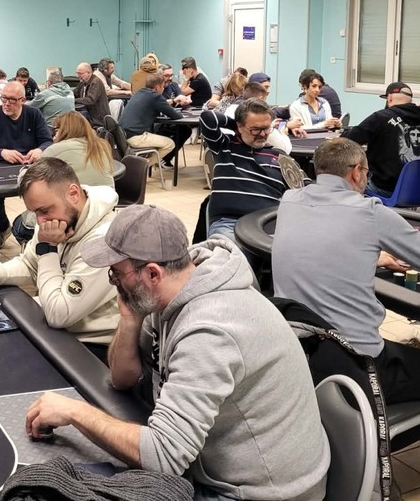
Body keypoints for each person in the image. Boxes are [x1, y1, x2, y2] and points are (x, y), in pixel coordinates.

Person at [24, 205, 329, 501]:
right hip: (215, 468)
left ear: (152, 273)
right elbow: (123, 379)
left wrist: (75, 412)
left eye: (116, 273)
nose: (113, 281)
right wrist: (129, 320)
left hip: (261, 492)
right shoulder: (172, 290)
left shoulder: (210, 331)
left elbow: (164, 457)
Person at [273, 137, 420, 440]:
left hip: (299, 350)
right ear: (356, 172)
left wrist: (370, 255)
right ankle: (368, 452)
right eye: (366, 172)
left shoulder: (289, 200)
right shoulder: (370, 212)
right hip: (359, 360)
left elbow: (320, 245)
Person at [0, 158, 119, 353]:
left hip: (93, 346)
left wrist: (47, 248)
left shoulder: (106, 241)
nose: (40, 221)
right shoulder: (55, 222)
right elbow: (29, 265)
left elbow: (59, 314)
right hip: (60, 329)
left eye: (45, 210)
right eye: (35, 213)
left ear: (73, 194)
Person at [200, 98, 285, 247]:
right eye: (255, 129)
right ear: (239, 126)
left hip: (270, 225)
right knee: (233, 255)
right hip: (230, 224)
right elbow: (207, 118)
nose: (262, 134)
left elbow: (303, 188)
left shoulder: (279, 156)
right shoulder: (224, 145)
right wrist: (235, 125)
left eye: (266, 128)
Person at [342, 81, 420, 197]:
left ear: (389, 98)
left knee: (345, 180)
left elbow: (348, 140)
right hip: (416, 189)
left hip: (383, 188)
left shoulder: (381, 117)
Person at [0, 81, 53, 164]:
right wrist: (1, 153)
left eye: (12, 100)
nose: (7, 104)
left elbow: (47, 141)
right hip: (2, 163)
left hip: (30, 163)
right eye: (4, 98)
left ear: (23, 100)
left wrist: (40, 150)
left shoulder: (34, 114)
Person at [118, 73, 183, 168]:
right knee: (170, 144)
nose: (163, 89)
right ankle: (143, 166)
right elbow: (175, 115)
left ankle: (143, 163)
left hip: (123, 135)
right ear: (157, 87)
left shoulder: (140, 92)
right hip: (136, 137)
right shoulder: (156, 97)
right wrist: (181, 111)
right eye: (162, 86)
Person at [42, 111, 114, 187]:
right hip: (108, 194)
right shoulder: (102, 145)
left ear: (63, 130)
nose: (54, 136)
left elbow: (35, 176)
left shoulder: (55, 149)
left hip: (79, 193)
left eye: (56, 130)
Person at [72, 61, 108, 128]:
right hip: (88, 116)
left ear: (89, 73)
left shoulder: (96, 82)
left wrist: (73, 100)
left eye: (80, 74)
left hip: (97, 120)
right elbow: (74, 93)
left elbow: (90, 100)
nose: (78, 76)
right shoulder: (83, 82)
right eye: (77, 73)